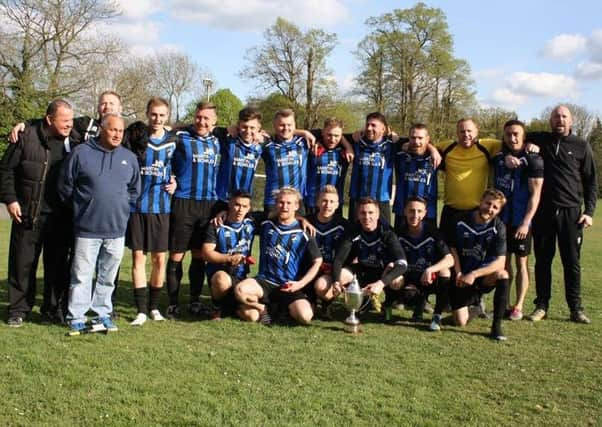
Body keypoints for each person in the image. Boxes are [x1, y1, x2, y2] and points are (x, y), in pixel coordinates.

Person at [58, 113, 140, 333]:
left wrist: (121, 208)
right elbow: (65, 187)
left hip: (116, 229)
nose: (117, 135)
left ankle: (102, 314)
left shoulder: (129, 158)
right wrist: (81, 208)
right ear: (101, 129)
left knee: (108, 277)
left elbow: (134, 190)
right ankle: (76, 316)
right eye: (113, 129)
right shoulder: (81, 153)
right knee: (81, 275)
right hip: (87, 229)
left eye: (121, 131)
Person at [0, 99, 76, 326]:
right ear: (49, 119)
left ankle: (51, 309)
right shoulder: (26, 136)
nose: (69, 125)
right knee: (23, 264)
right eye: (64, 121)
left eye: (71, 121)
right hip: (27, 213)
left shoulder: (75, 139)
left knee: (57, 266)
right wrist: (11, 200)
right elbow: (5, 170)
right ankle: (18, 310)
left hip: (60, 216)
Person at [526, 105, 597, 324]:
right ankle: (541, 305)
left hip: (571, 213)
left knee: (572, 263)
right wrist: (527, 144)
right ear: (550, 120)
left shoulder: (581, 145)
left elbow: (590, 182)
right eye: (556, 116)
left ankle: (576, 309)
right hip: (544, 213)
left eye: (564, 116)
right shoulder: (540, 139)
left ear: (571, 121)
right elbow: (512, 137)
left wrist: (589, 212)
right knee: (543, 261)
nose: (560, 120)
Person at [167, 101, 223, 319]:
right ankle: (172, 304)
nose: (201, 121)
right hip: (183, 202)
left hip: (207, 205)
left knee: (200, 257)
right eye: (199, 117)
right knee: (177, 256)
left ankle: (195, 301)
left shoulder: (219, 141)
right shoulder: (180, 137)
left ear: (214, 122)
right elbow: (164, 157)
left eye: (206, 118)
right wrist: (170, 178)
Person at [234, 187, 323, 325]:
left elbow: (318, 261)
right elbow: (241, 212)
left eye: (289, 203)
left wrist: (300, 284)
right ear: (276, 204)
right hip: (264, 282)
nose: (284, 207)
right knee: (240, 290)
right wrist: (223, 212)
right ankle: (261, 308)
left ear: (296, 206)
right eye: (281, 202)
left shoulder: (303, 232)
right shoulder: (265, 223)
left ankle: (278, 309)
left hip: (288, 285)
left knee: (305, 316)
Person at [126, 97, 177, 326]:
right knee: (138, 257)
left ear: (168, 116)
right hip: (137, 206)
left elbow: (180, 167)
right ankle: (141, 310)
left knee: (159, 259)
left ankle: (155, 307)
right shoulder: (135, 135)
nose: (157, 119)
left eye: (162, 115)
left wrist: (175, 181)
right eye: (154, 114)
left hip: (161, 207)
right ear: (147, 113)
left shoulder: (174, 140)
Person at [493, 120, 543, 321]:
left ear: (523, 136)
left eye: (516, 134)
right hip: (501, 221)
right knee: (502, 264)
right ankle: (503, 304)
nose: (512, 138)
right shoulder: (498, 159)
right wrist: (505, 156)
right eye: (508, 135)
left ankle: (519, 306)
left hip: (521, 221)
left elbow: (535, 194)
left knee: (521, 263)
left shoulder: (534, 159)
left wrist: (526, 222)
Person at [448, 189, 509, 341]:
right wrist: (460, 273)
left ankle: (496, 327)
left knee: (503, 274)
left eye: (495, 207)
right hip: (461, 278)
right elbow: (452, 249)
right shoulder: (460, 219)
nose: (490, 209)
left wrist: (474, 274)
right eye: (488, 203)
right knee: (461, 322)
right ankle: (474, 306)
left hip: (481, 277)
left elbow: (500, 262)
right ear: (480, 201)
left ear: (499, 211)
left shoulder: (499, 227)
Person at [386, 197, 453, 331]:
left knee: (445, 271)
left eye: (419, 211)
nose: (415, 215)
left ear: (425, 213)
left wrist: (430, 270)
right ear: (405, 211)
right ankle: (387, 308)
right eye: (411, 211)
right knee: (392, 272)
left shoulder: (433, 232)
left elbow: (450, 259)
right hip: (407, 277)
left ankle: (436, 316)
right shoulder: (398, 232)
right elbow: (391, 259)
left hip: (426, 277)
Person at [329, 198, 407, 306]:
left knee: (397, 280)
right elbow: (338, 260)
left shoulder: (387, 233)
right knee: (340, 275)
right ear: (358, 214)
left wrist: (381, 283)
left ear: (378, 214)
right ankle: (345, 301)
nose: (366, 217)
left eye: (371, 213)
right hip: (361, 270)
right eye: (363, 213)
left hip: (382, 272)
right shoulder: (353, 231)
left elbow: (403, 264)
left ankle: (389, 301)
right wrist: (336, 282)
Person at [435, 119, 501, 243]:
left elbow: (512, 142)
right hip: (451, 211)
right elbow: (424, 143)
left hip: (476, 212)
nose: (466, 134)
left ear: (477, 131)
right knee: (446, 250)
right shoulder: (447, 146)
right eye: (462, 131)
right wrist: (433, 151)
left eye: (469, 131)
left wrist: (531, 144)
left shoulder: (487, 146)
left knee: (472, 254)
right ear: (457, 133)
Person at [201, 191, 256, 320]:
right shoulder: (216, 224)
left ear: (249, 208)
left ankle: (233, 307)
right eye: (237, 205)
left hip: (241, 278)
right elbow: (206, 253)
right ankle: (217, 308)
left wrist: (301, 218)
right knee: (221, 278)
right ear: (230, 204)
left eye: (244, 206)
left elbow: (281, 215)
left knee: (252, 316)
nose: (240, 209)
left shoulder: (252, 223)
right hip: (220, 275)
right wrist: (229, 258)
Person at [9, 90, 123, 144]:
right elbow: (55, 121)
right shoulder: (85, 123)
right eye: (103, 103)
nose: (107, 107)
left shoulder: (126, 134)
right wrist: (26, 124)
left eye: (112, 103)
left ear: (119, 108)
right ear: (98, 107)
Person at [348, 112, 398, 224]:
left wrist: (433, 150)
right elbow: (332, 133)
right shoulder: (356, 141)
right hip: (357, 199)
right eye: (367, 125)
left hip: (381, 199)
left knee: (384, 235)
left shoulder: (393, 145)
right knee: (354, 235)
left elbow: (420, 141)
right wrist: (347, 145)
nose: (369, 128)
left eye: (373, 125)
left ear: (383, 129)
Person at [261, 109, 310, 213]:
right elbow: (249, 132)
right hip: (273, 202)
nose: (286, 128)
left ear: (295, 125)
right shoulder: (267, 144)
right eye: (281, 125)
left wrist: (304, 132)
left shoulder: (304, 142)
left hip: (297, 202)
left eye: (289, 125)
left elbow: (330, 132)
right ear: (274, 126)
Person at [308, 185, 349, 306]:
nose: (328, 205)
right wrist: (301, 219)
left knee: (321, 287)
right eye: (324, 201)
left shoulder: (344, 225)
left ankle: (328, 301)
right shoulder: (307, 222)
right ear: (317, 202)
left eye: (332, 202)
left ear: (337, 205)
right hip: (310, 269)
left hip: (332, 271)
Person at [393, 123, 438, 231]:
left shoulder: (436, 157)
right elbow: (384, 135)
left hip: (428, 213)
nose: (416, 142)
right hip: (402, 212)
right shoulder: (399, 155)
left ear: (427, 139)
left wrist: (433, 149)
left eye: (420, 138)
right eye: (413, 138)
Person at [215, 107, 263, 207]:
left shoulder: (261, 144)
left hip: (245, 203)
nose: (248, 131)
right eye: (244, 127)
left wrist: (304, 133)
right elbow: (206, 129)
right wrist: (226, 129)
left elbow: (285, 134)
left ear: (259, 128)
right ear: (238, 125)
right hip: (223, 200)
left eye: (252, 128)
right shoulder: (228, 140)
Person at [304, 118, 351, 215]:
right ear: (322, 133)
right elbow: (290, 134)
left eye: (336, 136)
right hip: (312, 203)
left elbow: (363, 135)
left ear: (342, 136)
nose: (332, 139)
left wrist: (348, 146)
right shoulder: (312, 148)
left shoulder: (344, 152)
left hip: (335, 205)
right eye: (329, 135)